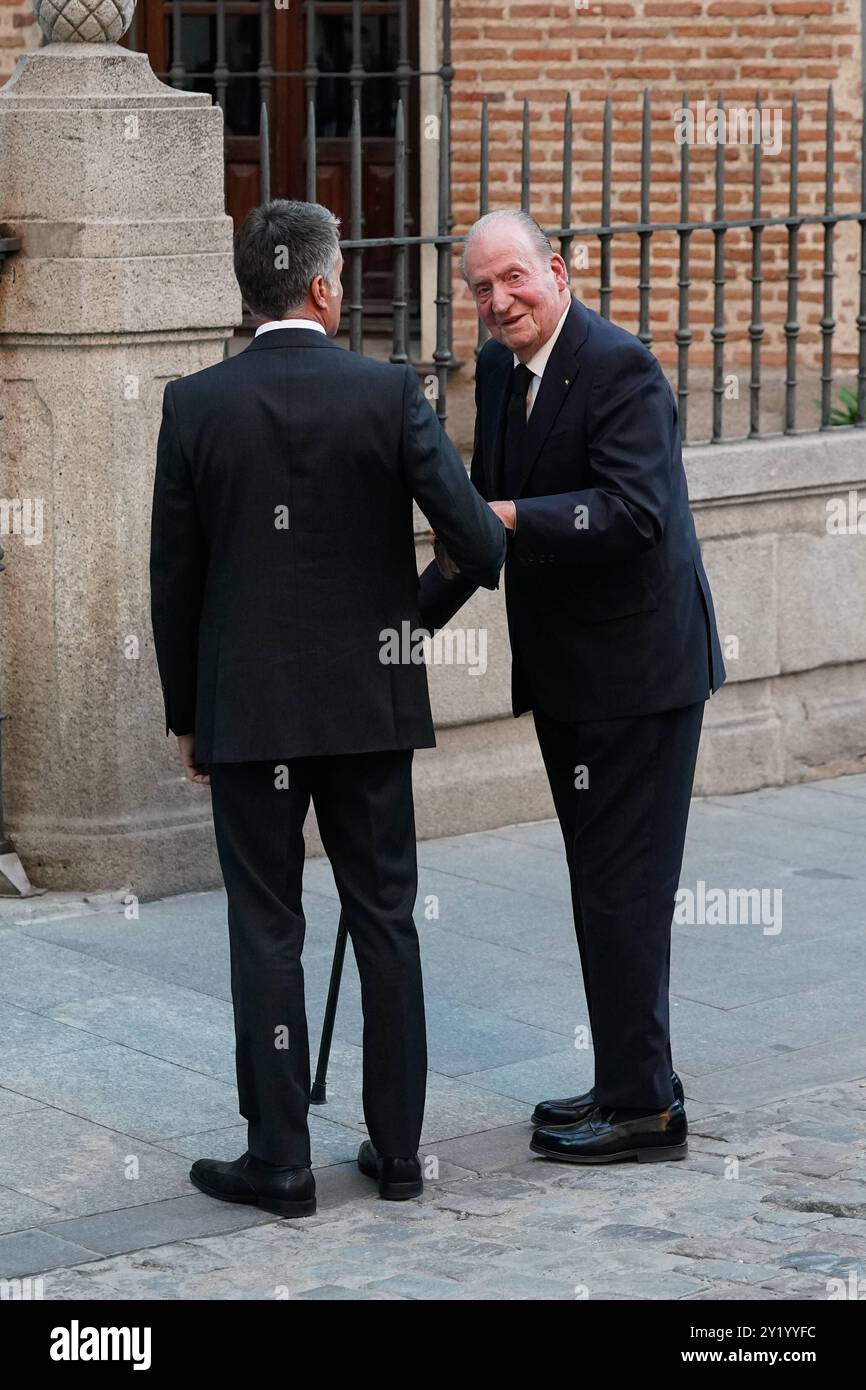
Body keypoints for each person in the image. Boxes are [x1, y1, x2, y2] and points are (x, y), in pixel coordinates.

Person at [150, 200, 506, 1216]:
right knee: (385, 919)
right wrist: (400, 623)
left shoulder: (194, 404)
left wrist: (189, 715)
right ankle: (398, 1154)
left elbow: (171, 578)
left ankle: (281, 1163)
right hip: (367, 706)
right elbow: (479, 544)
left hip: (246, 712)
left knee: (267, 929)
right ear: (319, 287)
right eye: (340, 275)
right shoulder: (386, 392)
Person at [419, 209, 726, 1165]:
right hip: (573, 682)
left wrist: (504, 512)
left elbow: (634, 513)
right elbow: (480, 536)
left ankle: (643, 1112)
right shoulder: (510, 378)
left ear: (557, 270)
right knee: (603, 886)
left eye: (513, 278)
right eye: (480, 288)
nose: (498, 299)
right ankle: (633, 1079)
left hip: (639, 678)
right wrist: (391, 630)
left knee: (623, 890)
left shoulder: (621, 366)